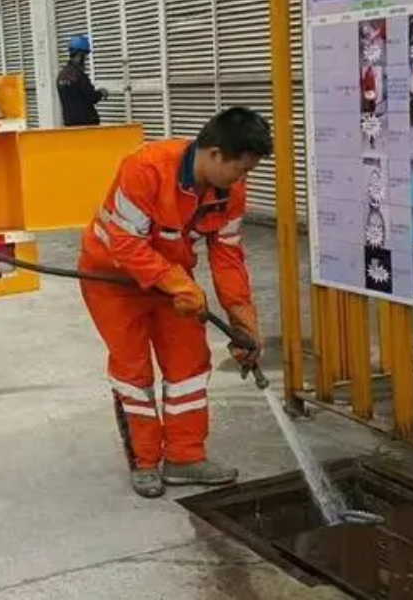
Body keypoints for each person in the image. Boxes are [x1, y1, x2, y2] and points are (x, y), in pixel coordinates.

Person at [78, 107, 273, 498]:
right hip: (112, 278)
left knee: (188, 364)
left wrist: (242, 318)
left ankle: (185, 457)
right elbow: (126, 243)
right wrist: (177, 283)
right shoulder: (146, 168)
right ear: (214, 154)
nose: (242, 179)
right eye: (241, 168)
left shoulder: (229, 191)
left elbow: (228, 255)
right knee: (133, 372)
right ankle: (146, 461)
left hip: (172, 282)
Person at [57, 35, 108, 127]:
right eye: (85, 56)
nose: (86, 59)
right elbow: (92, 97)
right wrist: (101, 92)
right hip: (86, 125)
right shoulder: (79, 75)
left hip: (69, 124)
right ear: (80, 55)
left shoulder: (61, 75)